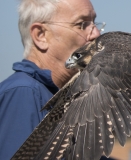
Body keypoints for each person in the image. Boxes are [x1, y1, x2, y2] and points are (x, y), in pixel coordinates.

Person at [0, 0, 114, 159]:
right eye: (82, 24)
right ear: (41, 35)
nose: (96, 34)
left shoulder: (63, 97)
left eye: (94, 23)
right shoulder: (24, 93)